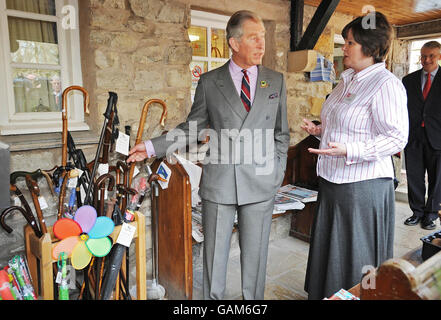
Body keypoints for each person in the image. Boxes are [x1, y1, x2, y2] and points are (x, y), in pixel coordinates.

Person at [127, 10, 289, 300]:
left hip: (262, 183)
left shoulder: (275, 80)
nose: (262, 44)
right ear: (234, 43)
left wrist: (277, 170)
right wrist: (152, 147)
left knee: (256, 259)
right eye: (254, 38)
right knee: (215, 259)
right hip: (221, 182)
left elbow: (281, 133)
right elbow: (192, 128)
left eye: (263, 37)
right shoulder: (210, 81)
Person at [301, 12, 408, 300]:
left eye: (349, 42)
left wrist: (350, 150)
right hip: (333, 181)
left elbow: (397, 138)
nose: (344, 48)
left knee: (354, 259)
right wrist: (319, 130)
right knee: (331, 256)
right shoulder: (347, 80)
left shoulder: (386, 84)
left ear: (370, 47)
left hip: (363, 188)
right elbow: (345, 127)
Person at [403, 41, 441, 230]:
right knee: (414, 176)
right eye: (423, 56)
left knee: (437, 179)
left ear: (439, 56)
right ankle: (417, 212)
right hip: (414, 137)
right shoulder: (408, 80)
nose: (426, 60)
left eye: (431, 56)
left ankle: (431, 215)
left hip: (438, 138)